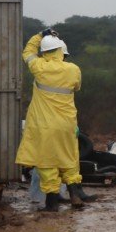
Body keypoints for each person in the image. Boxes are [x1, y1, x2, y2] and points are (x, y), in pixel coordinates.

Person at [15, 29, 94, 211]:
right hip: (67, 124)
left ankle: (51, 203)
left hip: (45, 126)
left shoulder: (39, 67)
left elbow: (27, 52)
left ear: (44, 52)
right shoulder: (74, 69)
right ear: (61, 51)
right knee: (69, 159)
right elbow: (77, 87)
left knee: (46, 162)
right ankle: (74, 193)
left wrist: (40, 35)